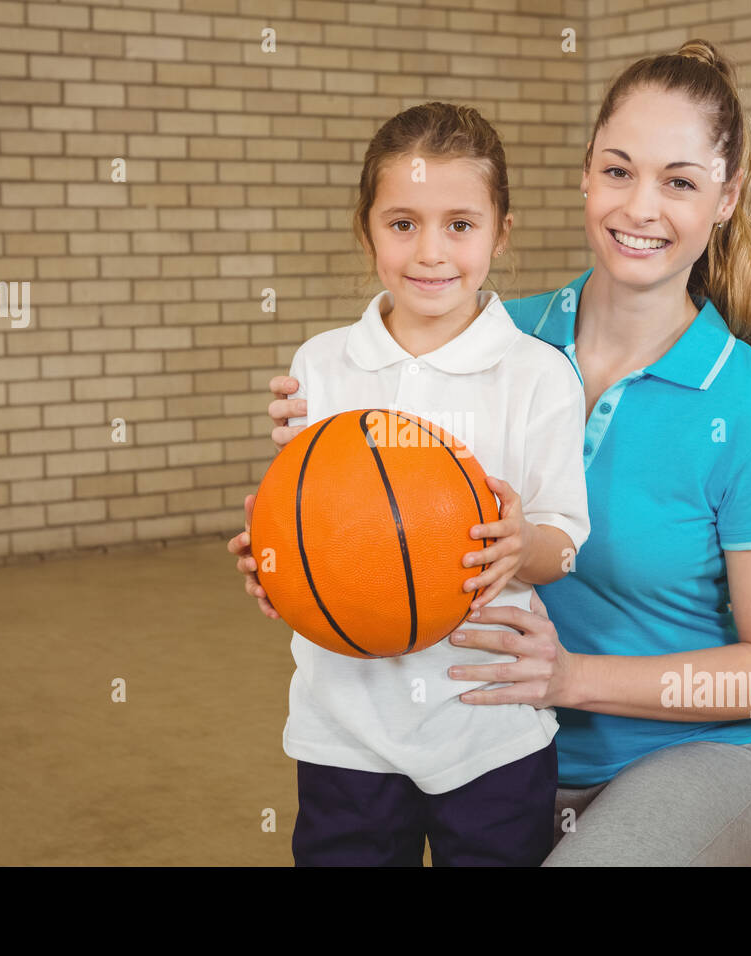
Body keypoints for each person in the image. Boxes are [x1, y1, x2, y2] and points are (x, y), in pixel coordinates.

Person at [232, 40, 751, 866]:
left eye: (681, 181)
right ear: (586, 176)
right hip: (492, 733)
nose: (641, 208)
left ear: (726, 198)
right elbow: (366, 468)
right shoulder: (490, 333)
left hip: (678, 751)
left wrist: (572, 679)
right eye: (619, 171)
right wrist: (306, 504)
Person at [233, 101, 593, 866]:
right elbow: (306, 526)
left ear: (501, 231)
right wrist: (274, 561)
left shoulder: (538, 376)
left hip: (489, 722)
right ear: (366, 231)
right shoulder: (320, 365)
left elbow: (564, 542)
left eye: (460, 224)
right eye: (403, 223)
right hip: (345, 727)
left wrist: (523, 545)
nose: (431, 252)